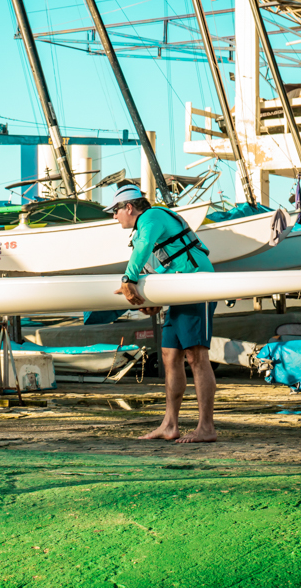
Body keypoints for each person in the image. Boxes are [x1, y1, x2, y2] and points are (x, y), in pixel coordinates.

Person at [106, 185, 218, 443]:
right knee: (169, 355)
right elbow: (166, 267)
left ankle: (206, 428)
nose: (114, 216)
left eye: (115, 211)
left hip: (195, 286)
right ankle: (169, 424)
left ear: (129, 208)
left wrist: (128, 278)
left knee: (196, 356)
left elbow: (144, 246)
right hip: (178, 290)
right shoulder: (147, 224)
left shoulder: (151, 217)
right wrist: (155, 299)